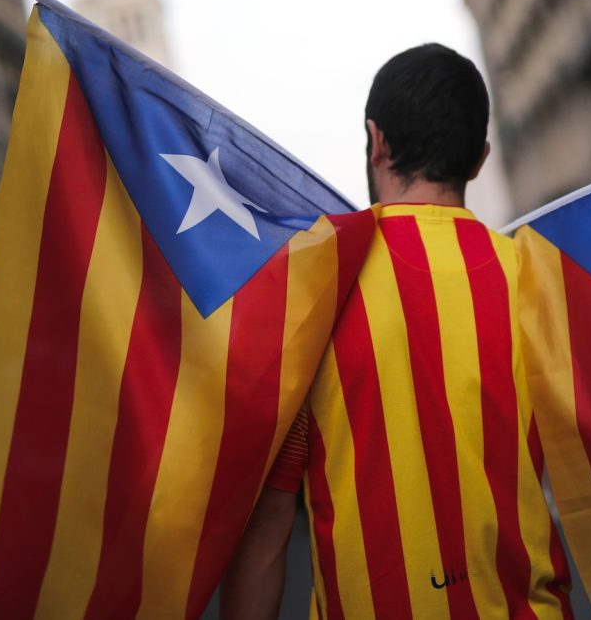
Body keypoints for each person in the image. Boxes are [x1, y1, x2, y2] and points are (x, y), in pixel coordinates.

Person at [221, 44, 572, 619]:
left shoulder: (316, 288)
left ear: (376, 141)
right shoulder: (536, 281)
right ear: (479, 159)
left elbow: (269, 525)